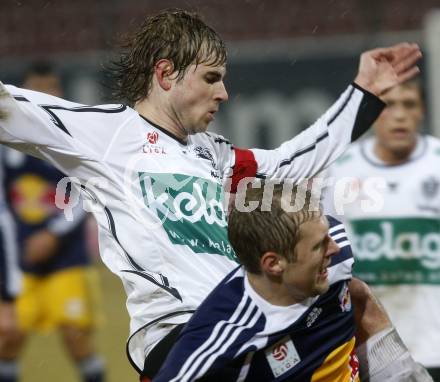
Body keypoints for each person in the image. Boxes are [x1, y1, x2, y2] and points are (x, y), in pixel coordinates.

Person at [0, 8, 421, 378]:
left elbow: (291, 163)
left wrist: (364, 93)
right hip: (179, 334)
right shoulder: (107, 134)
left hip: (245, 320)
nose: (224, 93)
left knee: (352, 292)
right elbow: (10, 108)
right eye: (212, 78)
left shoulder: (212, 154)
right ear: (165, 74)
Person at [154, 183, 433, 381]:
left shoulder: (334, 253)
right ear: (274, 264)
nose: (335, 248)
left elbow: (356, 294)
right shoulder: (218, 344)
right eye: (319, 246)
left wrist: (401, 373)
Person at [322, 79, 440, 381]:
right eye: (388, 106)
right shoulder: (340, 171)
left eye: (409, 104)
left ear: (422, 111)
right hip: (375, 348)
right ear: (373, 113)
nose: (399, 115)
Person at [0, 62, 105, 382]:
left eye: (52, 87)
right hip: (18, 259)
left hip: (65, 257)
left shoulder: (75, 138)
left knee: (76, 337)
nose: (46, 95)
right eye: (38, 88)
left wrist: (52, 235)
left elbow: (87, 192)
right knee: (8, 338)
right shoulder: (6, 142)